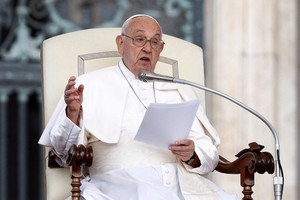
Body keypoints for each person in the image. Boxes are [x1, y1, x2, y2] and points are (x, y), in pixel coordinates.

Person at [38, 14, 237, 200]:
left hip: (182, 183)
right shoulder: (88, 85)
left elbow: (210, 155)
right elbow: (62, 152)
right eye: (139, 40)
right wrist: (72, 113)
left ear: (161, 49)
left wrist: (193, 154)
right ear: (121, 43)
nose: (148, 48)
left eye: (155, 42)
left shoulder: (180, 90)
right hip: (119, 184)